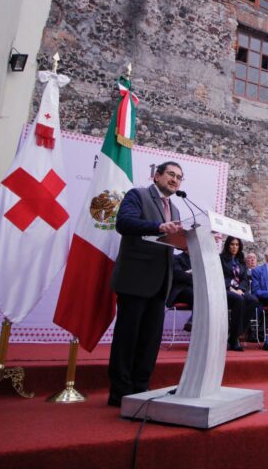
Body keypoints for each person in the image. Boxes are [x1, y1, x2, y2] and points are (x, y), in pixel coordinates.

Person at [108, 161, 183, 407]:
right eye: (171, 174)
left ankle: (141, 388)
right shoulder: (138, 195)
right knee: (127, 338)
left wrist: (193, 239)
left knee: (151, 340)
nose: (175, 180)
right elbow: (124, 223)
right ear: (157, 176)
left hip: (161, 283)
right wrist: (157, 226)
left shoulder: (176, 209)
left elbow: (171, 244)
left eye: (179, 177)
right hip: (135, 279)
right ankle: (120, 392)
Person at [219, 236, 259, 351]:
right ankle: (234, 338)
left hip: (239, 290)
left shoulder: (241, 260)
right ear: (227, 245)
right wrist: (230, 288)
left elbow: (245, 279)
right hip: (225, 290)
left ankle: (235, 334)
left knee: (253, 300)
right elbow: (219, 276)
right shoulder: (220, 259)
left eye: (237, 244)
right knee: (239, 300)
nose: (234, 247)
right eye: (232, 244)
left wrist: (241, 289)